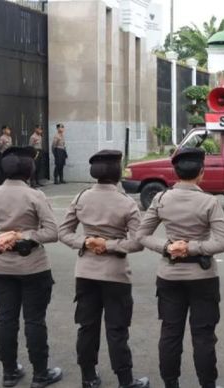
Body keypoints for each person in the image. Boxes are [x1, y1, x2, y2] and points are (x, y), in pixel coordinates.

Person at [136, 147, 224, 388]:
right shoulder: (209, 202)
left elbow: (142, 235)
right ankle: (207, 384)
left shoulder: (160, 199)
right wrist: (193, 247)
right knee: (203, 335)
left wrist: (168, 247)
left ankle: (171, 383)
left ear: (175, 172)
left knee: (170, 332)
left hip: (169, 274)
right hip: (202, 276)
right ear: (201, 172)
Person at [58, 150, 149, 388]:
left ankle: (88, 377)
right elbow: (139, 242)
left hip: (85, 272)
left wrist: (86, 242)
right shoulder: (126, 203)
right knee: (117, 329)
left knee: (87, 326)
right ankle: (126, 381)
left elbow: (63, 233)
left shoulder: (81, 198)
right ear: (118, 172)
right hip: (115, 275)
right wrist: (109, 244)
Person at [0, 146, 62, 388]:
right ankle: (41, 374)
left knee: (6, 319)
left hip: (2, 267)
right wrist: (25, 235)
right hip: (34, 267)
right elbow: (52, 232)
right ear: (29, 170)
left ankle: (9, 372)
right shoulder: (35, 196)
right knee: (34, 320)